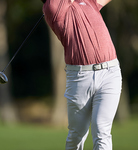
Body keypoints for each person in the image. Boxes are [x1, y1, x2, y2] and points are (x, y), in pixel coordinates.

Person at [42, 0, 122, 150]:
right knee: (76, 135)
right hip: (79, 78)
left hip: (110, 73)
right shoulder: (51, 6)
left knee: (101, 131)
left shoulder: (87, 2)